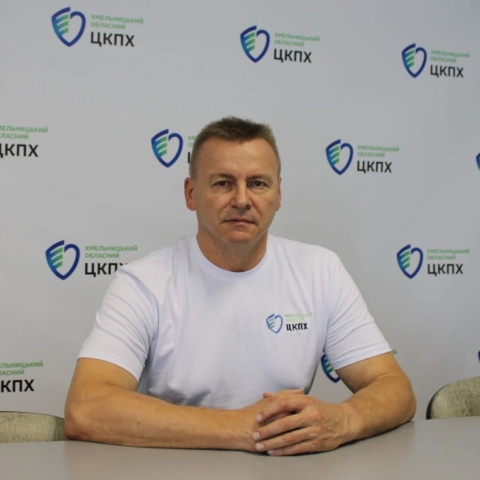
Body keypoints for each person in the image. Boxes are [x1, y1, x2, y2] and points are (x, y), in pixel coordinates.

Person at [65, 117, 416, 456]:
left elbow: (394, 387)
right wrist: (240, 428)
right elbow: (86, 408)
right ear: (191, 193)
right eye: (223, 183)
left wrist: (343, 420)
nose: (242, 199)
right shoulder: (144, 282)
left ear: (278, 194)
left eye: (258, 183)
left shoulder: (320, 270)